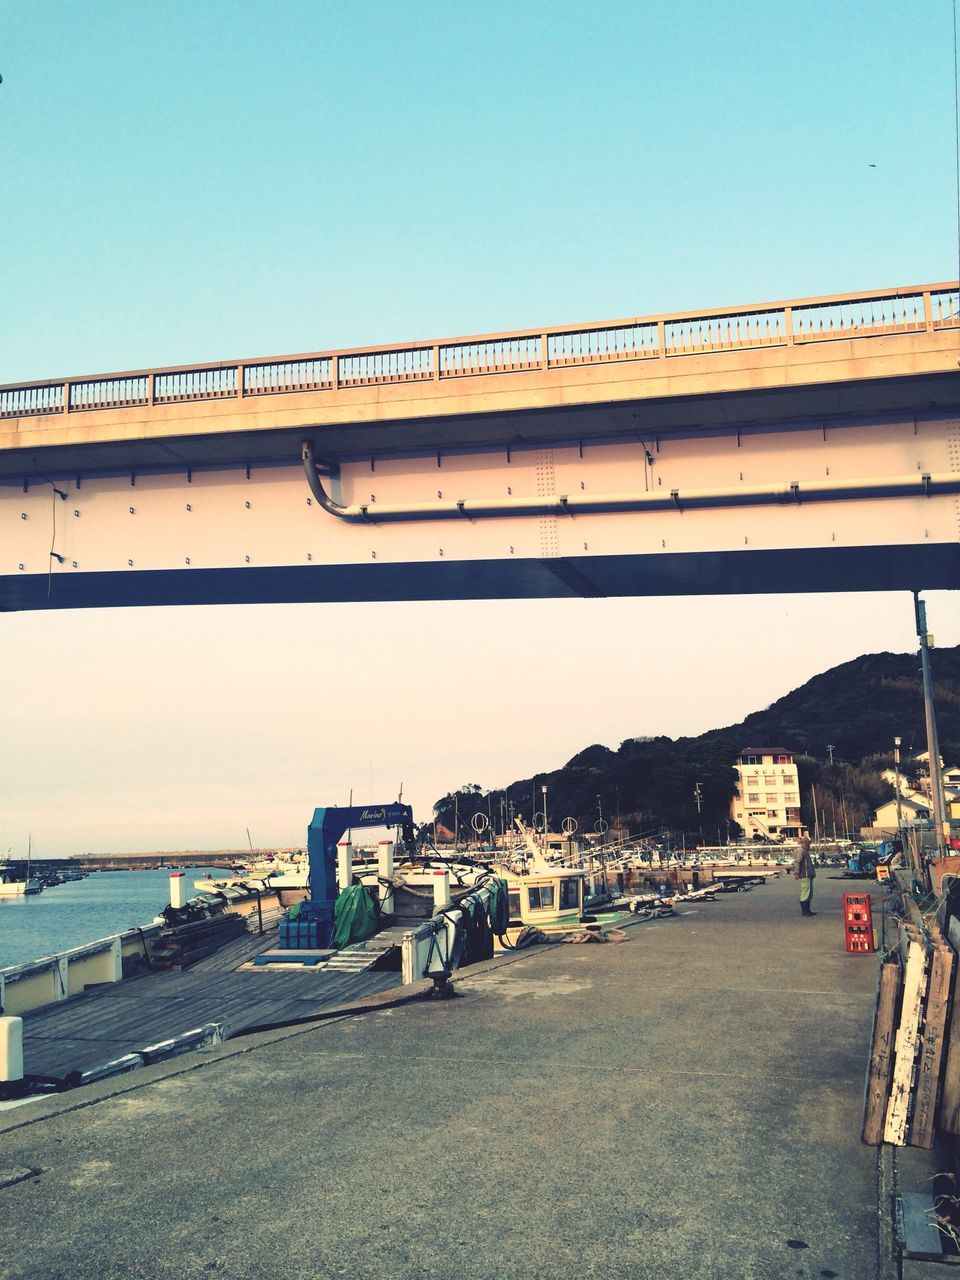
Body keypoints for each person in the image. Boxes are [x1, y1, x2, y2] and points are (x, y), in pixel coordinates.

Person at [794, 834, 816, 916]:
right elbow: (797, 862)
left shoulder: (805, 850)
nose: (810, 844)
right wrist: (796, 872)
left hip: (808, 874)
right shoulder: (801, 850)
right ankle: (805, 911)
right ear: (806, 843)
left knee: (809, 892)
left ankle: (808, 910)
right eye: (809, 842)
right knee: (805, 892)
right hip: (804, 874)